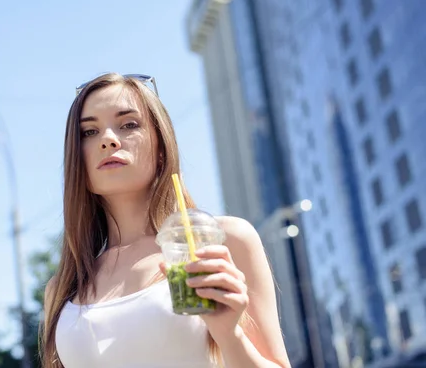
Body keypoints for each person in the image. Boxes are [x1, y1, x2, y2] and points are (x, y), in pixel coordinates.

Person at [40, 73, 291, 368]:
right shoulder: (63, 288)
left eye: (129, 124)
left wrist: (229, 334)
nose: (108, 139)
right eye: (89, 132)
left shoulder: (219, 240)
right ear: (76, 158)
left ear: (162, 146)